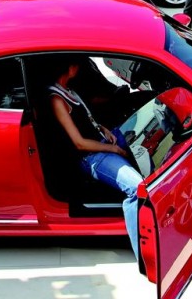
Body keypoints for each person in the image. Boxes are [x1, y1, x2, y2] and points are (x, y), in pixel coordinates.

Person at [49, 58, 142, 256]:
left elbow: (85, 121)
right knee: (137, 189)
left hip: (102, 140)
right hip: (92, 155)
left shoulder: (69, 91)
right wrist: (114, 150)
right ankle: (144, 253)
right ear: (68, 67)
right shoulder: (57, 99)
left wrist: (102, 128)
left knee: (144, 125)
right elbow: (79, 143)